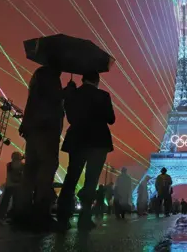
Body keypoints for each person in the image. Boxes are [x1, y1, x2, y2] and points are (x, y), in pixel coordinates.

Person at [57, 72, 115, 231]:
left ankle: (62, 217)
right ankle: (85, 218)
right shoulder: (103, 95)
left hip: (77, 139)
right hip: (98, 141)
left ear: (82, 79)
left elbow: (70, 117)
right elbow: (111, 119)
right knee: (92, 180)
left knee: (71, 177)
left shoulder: (74, 94)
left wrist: (70, 93)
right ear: (97, 81)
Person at [14, 66, 64, 230]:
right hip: (47, 130)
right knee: (46, 169)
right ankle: (41, 214)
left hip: (33, 130)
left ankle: (21, 213)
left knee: (30, 171)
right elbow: (54, 101)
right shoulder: (51, 78)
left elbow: (32, 104)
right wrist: (66, 92)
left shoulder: (37, 80)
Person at [0, 152, 24, 223]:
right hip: (13, 185)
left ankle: (3, 217)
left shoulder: (12, 165)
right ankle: (4, 217)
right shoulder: (12, 165)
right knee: (8, 201)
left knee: (10, 201)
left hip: (13, 185)